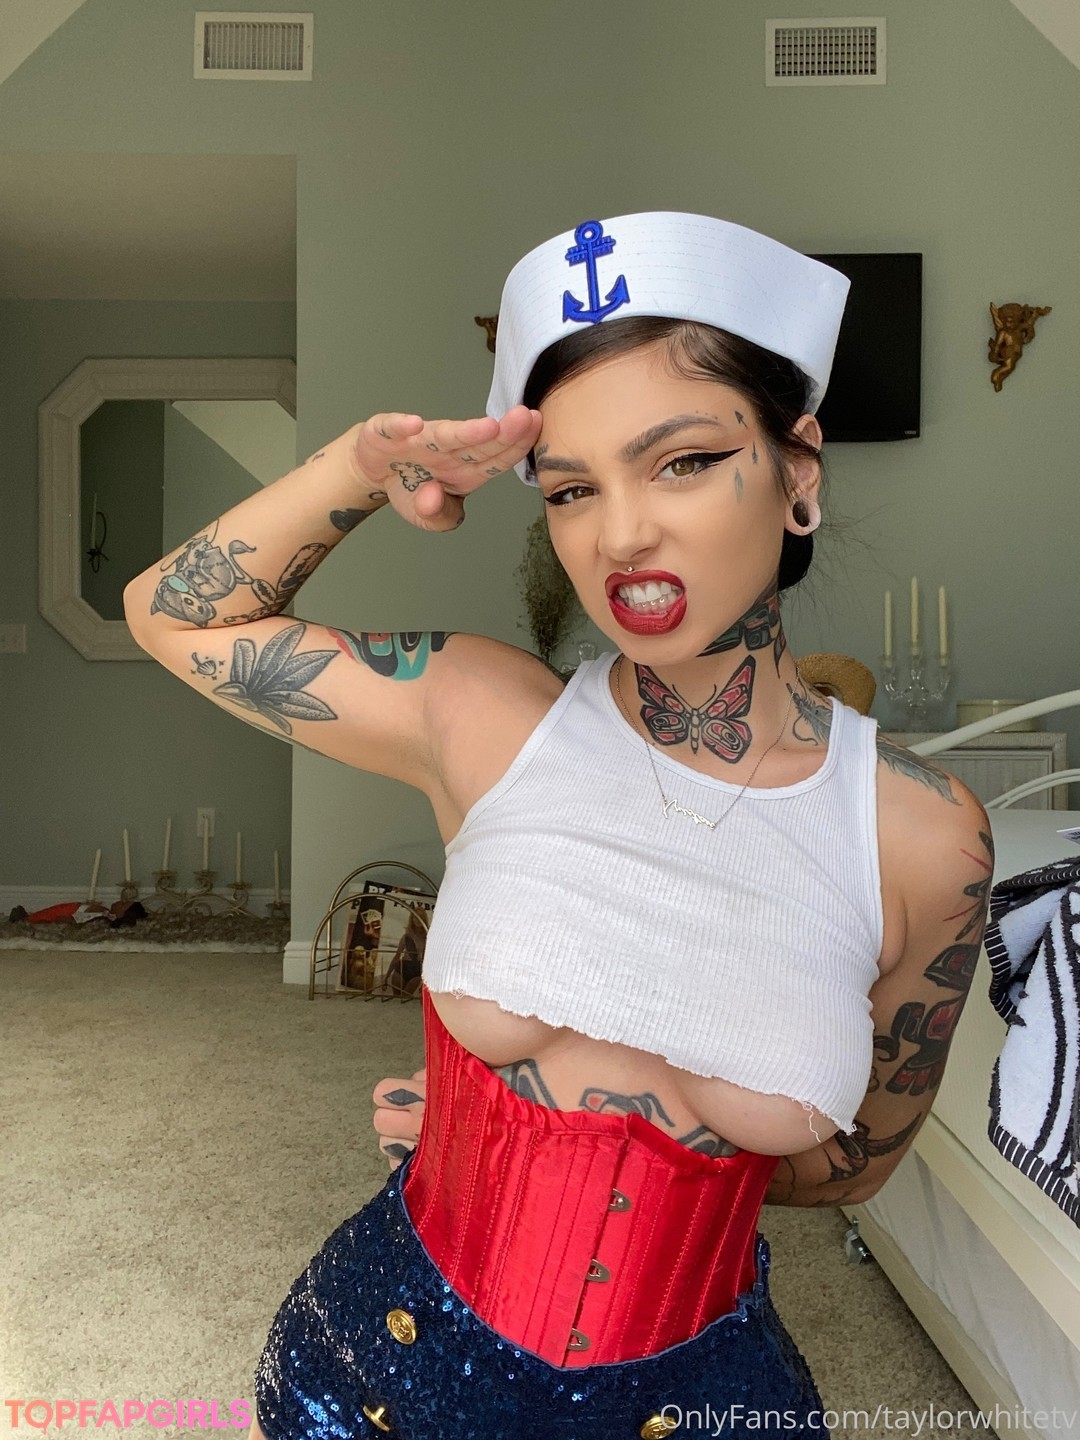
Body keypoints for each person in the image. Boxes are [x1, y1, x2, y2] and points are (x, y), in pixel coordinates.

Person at [124, 212, 991, 1439]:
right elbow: (174, 616)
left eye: (681, 461)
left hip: (703, 1403)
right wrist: (361, 467)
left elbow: (855, 1165)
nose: (619, 533)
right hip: (378, 1378)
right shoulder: (483, 714)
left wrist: (636, 1158)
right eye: (573, 488)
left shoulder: (924, 837)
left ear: (798, 470)